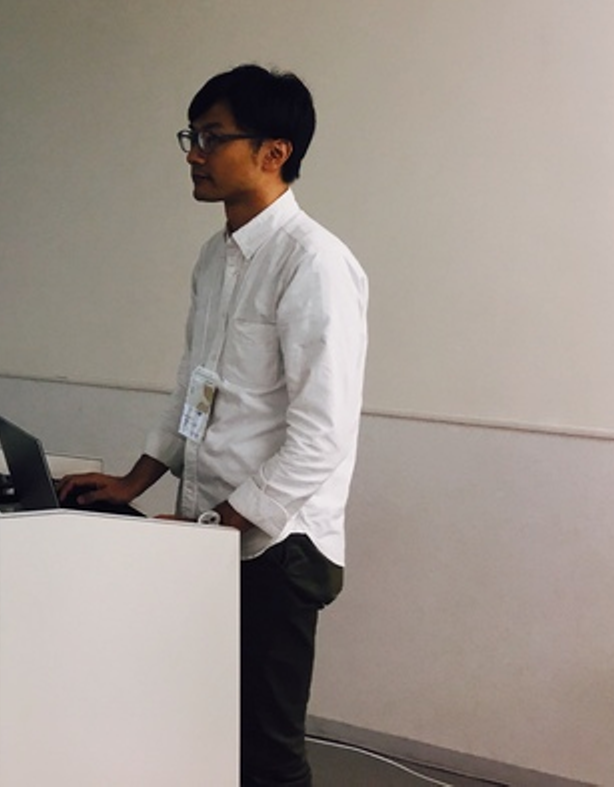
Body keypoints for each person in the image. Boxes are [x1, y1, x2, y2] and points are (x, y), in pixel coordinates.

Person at [58, 63, 368, 787]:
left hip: (278, 546)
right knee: (203, 729)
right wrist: (135, 481)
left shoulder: (314, 264)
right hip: (213, 532)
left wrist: (218, 527)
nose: (194, 154)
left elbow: (323, 436)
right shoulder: (216, 259)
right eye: (191, 137)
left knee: (266, 756)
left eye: (212, 137)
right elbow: (197, 387)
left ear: (273, 152)